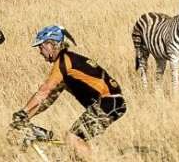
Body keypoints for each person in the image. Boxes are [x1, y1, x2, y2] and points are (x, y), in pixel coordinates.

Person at [12, 26, 126, 160]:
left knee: (73, 138)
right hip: (111, 103)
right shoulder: (67, 62)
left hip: (108, 102)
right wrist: (26, 118)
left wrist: (24, 112)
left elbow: (44, 91)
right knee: (74, 152)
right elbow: (48, 99)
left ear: (50, 44)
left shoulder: (63, 63)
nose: (40, 52)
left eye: (41, 47)